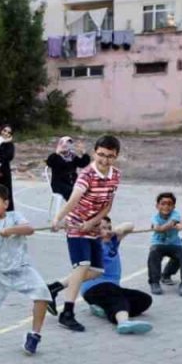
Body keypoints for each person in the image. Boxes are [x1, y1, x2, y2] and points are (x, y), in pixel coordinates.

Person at [50, 135, 123, 333]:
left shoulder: (115, 175)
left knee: (97, 271)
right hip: (75, 225)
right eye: (101, 154)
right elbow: (73, 200)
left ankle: (54, 288)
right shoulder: (86, 175)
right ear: (94, 153)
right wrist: (58, 218)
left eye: (110, 156)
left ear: (116, 156)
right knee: (82, 266)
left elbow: (107, 206)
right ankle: (67, 313)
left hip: (93, 227)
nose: (104, 159)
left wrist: (92, 222)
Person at [0, 185, 53, 355]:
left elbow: (29, 229)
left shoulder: (15, 216)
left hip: (21, 267)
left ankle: (34, 335)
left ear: (6, 203)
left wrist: (9, 230)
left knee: (42, 294)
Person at [78, 217, 153, 334]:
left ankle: (104, 309)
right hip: (94, 288)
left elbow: (130, 224)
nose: (108, 231)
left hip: (112, 287)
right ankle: (123, 323)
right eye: (103, 228)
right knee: (117, 297)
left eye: (109, 227)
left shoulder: (112, 241)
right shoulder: (92, 246)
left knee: (144, 300)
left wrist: (119, 229)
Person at [146, 192, 182, 296]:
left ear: (173, 206)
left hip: (175, 244)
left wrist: (160, 228)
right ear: (157, 206)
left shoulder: (175, 214)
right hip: (158, 244)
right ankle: (154, 283)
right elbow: (155, 224)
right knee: (153, 252)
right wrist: (155, 226)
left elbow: (169, 225)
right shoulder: (154, 217)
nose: (166, 206)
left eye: (169, 204)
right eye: (163, 204)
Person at [45, 137, 90, 224]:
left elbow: (83, 163)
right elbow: (49, 163)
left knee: (83, 191)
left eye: (68, 143)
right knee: (73, 192)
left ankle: (82, 213)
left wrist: (83, 152)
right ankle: (75, 215)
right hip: (58, 184)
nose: (65, 146)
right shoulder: (55, 157)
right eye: (63, 143)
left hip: (72, 183)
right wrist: (57, 152)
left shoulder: (72, 156)